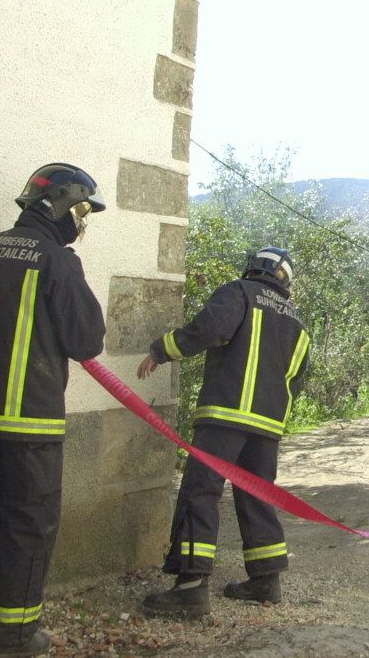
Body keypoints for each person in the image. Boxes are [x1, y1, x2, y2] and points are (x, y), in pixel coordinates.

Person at [0, 163, 107, 657]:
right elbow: (86, 340)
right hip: (30, 419)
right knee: (30, 521)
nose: (83, 222)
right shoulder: (57, 261)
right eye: (83, 210)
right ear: (61, 204)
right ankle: (11, 634)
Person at [137, 247, 311, 616]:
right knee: (257, 496)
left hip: (224, 416)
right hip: (266, 426)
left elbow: (211, 330)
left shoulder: (238, 292)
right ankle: (265, 579)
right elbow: (294, 380)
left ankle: (190, 588)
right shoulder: (298, 323)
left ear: (253, 267)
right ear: (286, 282)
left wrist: (162, 349)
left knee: (200, 494)